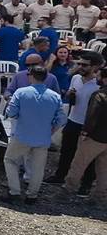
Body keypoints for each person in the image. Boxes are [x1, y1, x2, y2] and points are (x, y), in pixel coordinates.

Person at [1, 65, 67, 204]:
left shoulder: (21, 92)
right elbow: (61, 119)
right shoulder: (55, 96)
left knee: (10, 160)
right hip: (43, 138)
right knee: (38, 168)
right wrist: (51, 131)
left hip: (22, 135)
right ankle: (32, 195)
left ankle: (14, 191)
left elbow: (11, 112)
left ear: (31, 76)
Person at [45, 52, 105, 194]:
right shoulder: (76, 78)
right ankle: (60, 176)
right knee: (66, 151)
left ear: (95, 67)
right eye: (79, 64)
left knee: (88, 158)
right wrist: (69, 95)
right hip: (73, 120)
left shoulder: (98, 86)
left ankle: (86, 185)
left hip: (88, 125)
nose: (80, 67)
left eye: (85, 65)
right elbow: (74, 100)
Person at [62, 67, 107, 204]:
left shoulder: (99, 95)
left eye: (99, 76)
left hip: (95, 137)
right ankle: (99, 196)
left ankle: (67, 191)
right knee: (104, 169)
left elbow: (92, 115)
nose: (96, 78)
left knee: (79, 164)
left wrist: (85, 132)